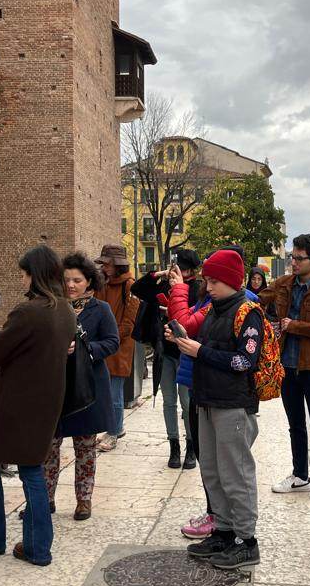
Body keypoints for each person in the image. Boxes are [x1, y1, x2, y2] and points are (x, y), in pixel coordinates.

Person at [0, 245, 78, 567]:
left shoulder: (29, 311)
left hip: (17, 405)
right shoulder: (65, 310)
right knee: (31, 468)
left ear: (34, 274)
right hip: (47, 403)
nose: (21, 279)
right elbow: (28, 347)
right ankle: (37, 546)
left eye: (23, 273)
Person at [169, 249, 264, 569]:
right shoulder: (212, 308)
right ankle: (223, 532)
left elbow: (244, 361)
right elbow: (204, 345)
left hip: (233, 405)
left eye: (213, 280)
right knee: (212, 470)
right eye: (207, 280)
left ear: (230, 280)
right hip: (206, 400)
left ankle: (247, 541)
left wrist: (199, 351)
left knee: (236, 474)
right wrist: (183, 340)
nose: (207, 286)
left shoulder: (248, 312)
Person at [261, 234, 310, 504]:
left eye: (299, 258)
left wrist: (293, 325)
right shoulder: (282, 284)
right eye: (292, 257)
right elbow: (258, 300)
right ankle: (299, 475)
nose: (293, 262)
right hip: (287, 366)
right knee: (295, 424)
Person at [41, 253, 119, 521]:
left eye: (77, 280)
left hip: (87, 388)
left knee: (85, 447)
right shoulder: (51, 307)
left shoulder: (101, 310)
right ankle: (45, 499)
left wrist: (84, 349)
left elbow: (112, 342)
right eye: (66, 280)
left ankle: (84, 500)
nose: (71, 285)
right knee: (49, 447)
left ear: (88, 282)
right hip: (56, 386)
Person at [131, 249, 204, 469]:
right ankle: (174, 446)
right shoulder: (164, 285)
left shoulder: (197, 290)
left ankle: (191, 446)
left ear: (190, 271)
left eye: (180, 267)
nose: (175, 270)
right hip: (165, 353)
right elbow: (137, 289)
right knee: (168, 402)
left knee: (187, 402)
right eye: (174, 266)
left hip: (186, 353)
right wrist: (158, 275)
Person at [95, 244, 140, 451]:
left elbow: (129, 322)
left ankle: (113, 433)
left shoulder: (130, 286)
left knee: (115, 392)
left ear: (117, 265)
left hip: (120, 346)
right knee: (105, 392)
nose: (104, 267)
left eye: (107, 263)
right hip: (102, 346)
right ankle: (115, 427)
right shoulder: (102, 283)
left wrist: (109, 338)